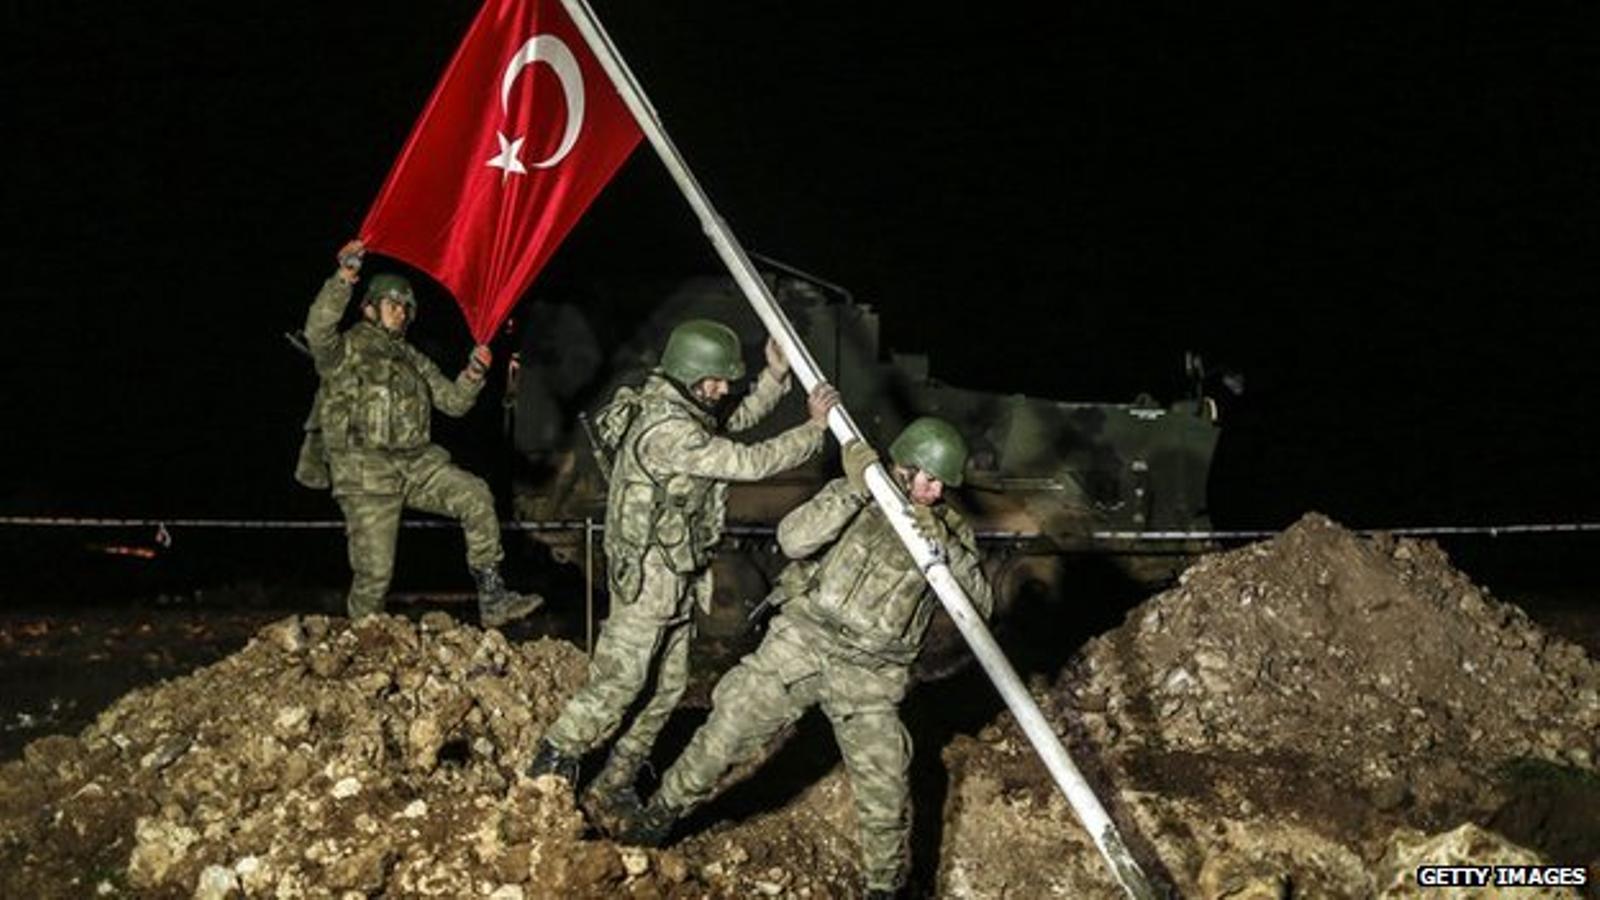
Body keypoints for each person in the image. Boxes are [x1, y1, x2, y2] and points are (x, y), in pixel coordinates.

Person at [620, 418, 993, 900]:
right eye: (927, 477)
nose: (935, 489)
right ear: (903, 465)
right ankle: (657, 817)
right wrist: (857, 491)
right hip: (803, 641)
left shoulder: (948, 531)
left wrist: (941, 547)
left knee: (886, 788)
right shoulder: (857, 493)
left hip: (872, 672)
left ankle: (885, 889)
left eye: (943, 483)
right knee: (727, 729)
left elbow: (980, 607)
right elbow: (793, 539)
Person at [529, 318, 841, 820]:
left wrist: (774, 377)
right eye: (714, 380)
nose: (721, 390)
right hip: (650, 577)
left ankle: (616, 781)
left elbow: (733, 420)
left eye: (724, 380)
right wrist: (813, 431)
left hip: (677, 573)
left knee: (668, 688)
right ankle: (550, 765)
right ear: (686, 372)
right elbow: (746, 460)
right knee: (620, 681)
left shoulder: (684, 408)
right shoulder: (667, 429)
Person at [295, 239, 540, 628]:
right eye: (393, 304)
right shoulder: (344, 350)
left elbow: (454, 403)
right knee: (375, 575)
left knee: (474, 494)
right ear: (370, 307)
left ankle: (492, 596)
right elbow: (318, 329)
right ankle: (361, 643)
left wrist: (474, 373)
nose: (401, 312)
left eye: (406, 306)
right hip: (366, 473)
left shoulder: (412, 358)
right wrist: (345, 276)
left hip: (416, 462)